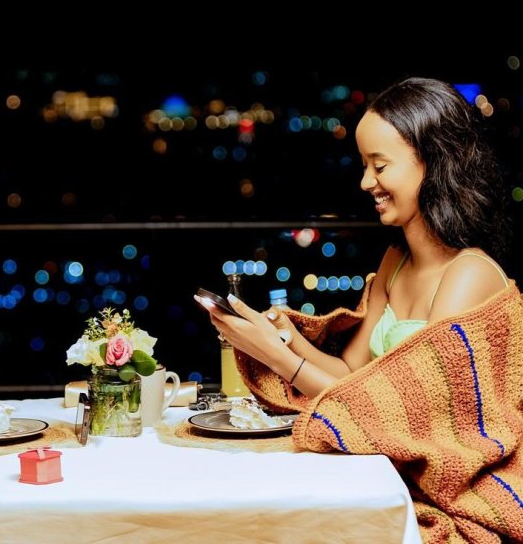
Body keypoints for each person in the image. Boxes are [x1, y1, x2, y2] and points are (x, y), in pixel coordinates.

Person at [196, 76, 523, 542]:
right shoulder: (395, 262)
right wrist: (285, 337)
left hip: (453, 498)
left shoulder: (468, 275)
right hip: (387, 475)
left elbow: (405, 420)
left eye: (380, 165)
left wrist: (277, 357)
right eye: (364, 165)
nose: (366, 182)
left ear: (433, 162)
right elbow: (353, 375)